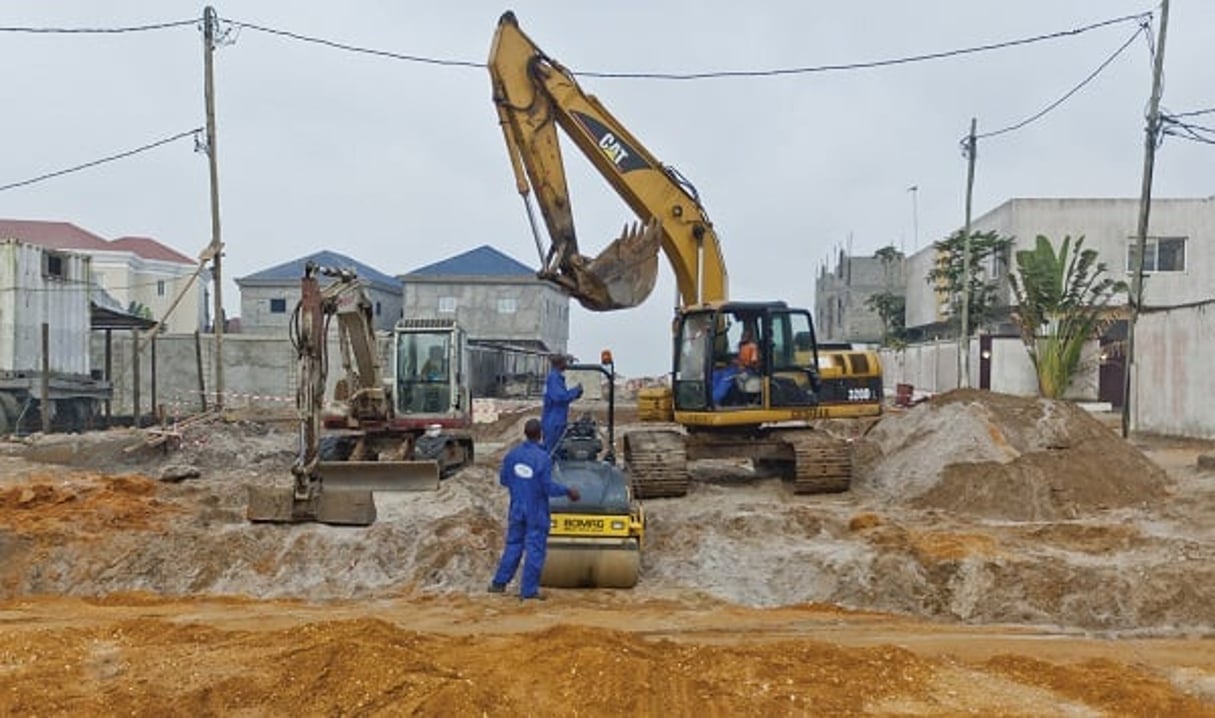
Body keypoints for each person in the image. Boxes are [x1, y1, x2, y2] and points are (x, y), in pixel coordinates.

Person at [488, 418, 581, 600]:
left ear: (525, 433)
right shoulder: (543, 458)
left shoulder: (512, 455)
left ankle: (499, 583)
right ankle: (528, 591)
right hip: (536, 511)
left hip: (516, 508)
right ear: (540, 435)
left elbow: (504, 480)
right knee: (535, 549)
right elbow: (547, 487)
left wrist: (520, 485)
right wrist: (568, 491)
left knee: (513, 545)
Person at [541, 353, 582, 454]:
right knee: (552, 451)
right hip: (554, 421)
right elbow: (560, 397)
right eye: (566, 362)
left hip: (556, 420)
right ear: (561, 364)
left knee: (557, 450)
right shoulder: (554, 378)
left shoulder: (556, 378)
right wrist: (576, 390)